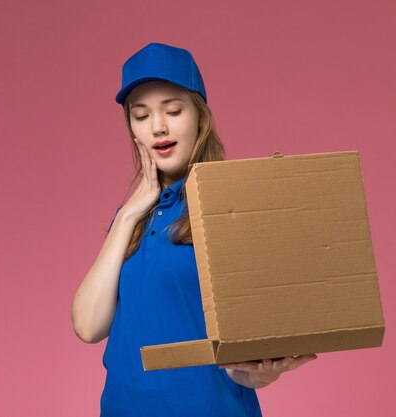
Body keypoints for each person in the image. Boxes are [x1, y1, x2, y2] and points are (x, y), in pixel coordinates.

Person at [72, 42, 318, 417]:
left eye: (173, 110)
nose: (158, 127)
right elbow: (89, 326)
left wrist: (262, 374)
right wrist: (127, 216)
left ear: (200, 116)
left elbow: (243, 355)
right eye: (141, 116)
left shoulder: (232, 203)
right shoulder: (131, 218)